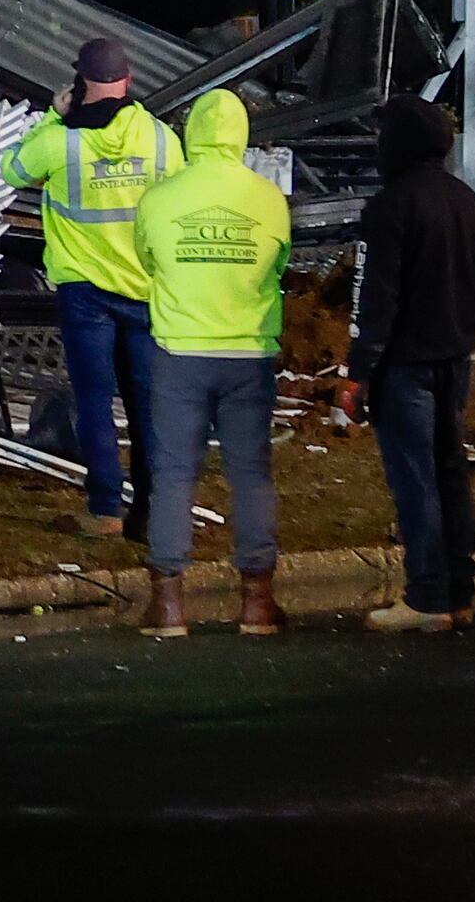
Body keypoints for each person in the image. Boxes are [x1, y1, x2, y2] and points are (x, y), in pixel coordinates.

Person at [4, 36, 179, 539]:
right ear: (127, 80)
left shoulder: (62, 140)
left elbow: (11, 168)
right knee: (148, 404)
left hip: (86, 293)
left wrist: (54, 116)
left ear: (81, 84)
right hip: (146, 290)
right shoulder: (162, 137)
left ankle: (105, 510)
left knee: (95, 401)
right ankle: (153, 510)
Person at [336, 96, 475, 633]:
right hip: (456, 359)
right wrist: (468, 340)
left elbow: (375, 298)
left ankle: (427, 596)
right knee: (450, 473)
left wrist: (359, 371)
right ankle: (459, 591)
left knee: (416, 481)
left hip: (405, 366)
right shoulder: (466, 202)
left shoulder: (391, 205)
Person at [134, 90, 291, 636]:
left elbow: (146, 258)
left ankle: (170, 606)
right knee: (251, 474)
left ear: (191, 133)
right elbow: (282, 263)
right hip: (249, 354)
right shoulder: (269, 198)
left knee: (174, 474)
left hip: (179, 351)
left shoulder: (160, 197)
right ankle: (257, 603)